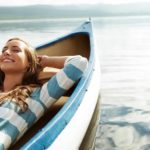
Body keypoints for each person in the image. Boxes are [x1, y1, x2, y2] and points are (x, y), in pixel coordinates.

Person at [0, 37, 88, 149]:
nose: (6, 52)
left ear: (29, 63)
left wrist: (46, 61)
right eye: (3, 50)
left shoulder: (37, 95)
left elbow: (79, 64)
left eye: (16, 50)